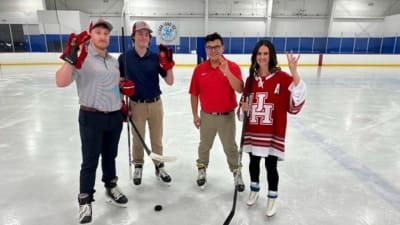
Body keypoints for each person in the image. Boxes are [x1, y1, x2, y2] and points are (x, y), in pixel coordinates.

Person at [55, 18, 131, 224]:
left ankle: (111, 186)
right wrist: (71, 58)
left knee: (110, 156)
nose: (103, 36)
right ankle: (85, 201)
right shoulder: (82, 57)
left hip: (114, 117)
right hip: (91, 117)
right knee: (89, 162)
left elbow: (113, 85)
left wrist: (123, 93)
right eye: (98, 32)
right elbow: (61, 82)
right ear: (90, 35)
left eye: (106, 33)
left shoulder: (114, 61)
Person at [237, 40, 306, 217]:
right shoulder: (250, 80)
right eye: (259, 54)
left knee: (270, 165)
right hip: (253, 131)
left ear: (271, 56)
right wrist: (243, 109)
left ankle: (272, 197)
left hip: (272, 133)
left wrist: (294, 72)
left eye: (266, 53)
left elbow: (296, 100)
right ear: (255, 56)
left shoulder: (282, 78)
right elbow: (242, 108)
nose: (262, 57)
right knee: (253, 163)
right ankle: (254, 189)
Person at [118, 21, 175, 186]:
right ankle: (138, 165)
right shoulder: (125, 58)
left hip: (156, 104)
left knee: (157, 138)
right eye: (140, 33)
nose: (143, 37)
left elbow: (170, 81)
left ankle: (159, 166)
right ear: (133, 37)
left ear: (149, 39)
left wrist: (168, 65)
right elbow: (119, 82)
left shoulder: (156, 58)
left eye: (146, 34)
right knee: (138, 138)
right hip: (136, 105)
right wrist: (122, 98)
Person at [188, 32, 245, 191]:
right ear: (206, 49)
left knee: (230, 147)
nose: (213, 51)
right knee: (204, 145)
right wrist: (195, 115)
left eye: (216, 47)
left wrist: (227, 72)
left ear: (223, 47)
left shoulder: (232, 66)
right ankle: (201, 169)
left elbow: (240, 89)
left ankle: (236, 172)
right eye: (209, 47)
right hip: (207, 116)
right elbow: (194, 93)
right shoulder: (200, 69)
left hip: (227, 116)